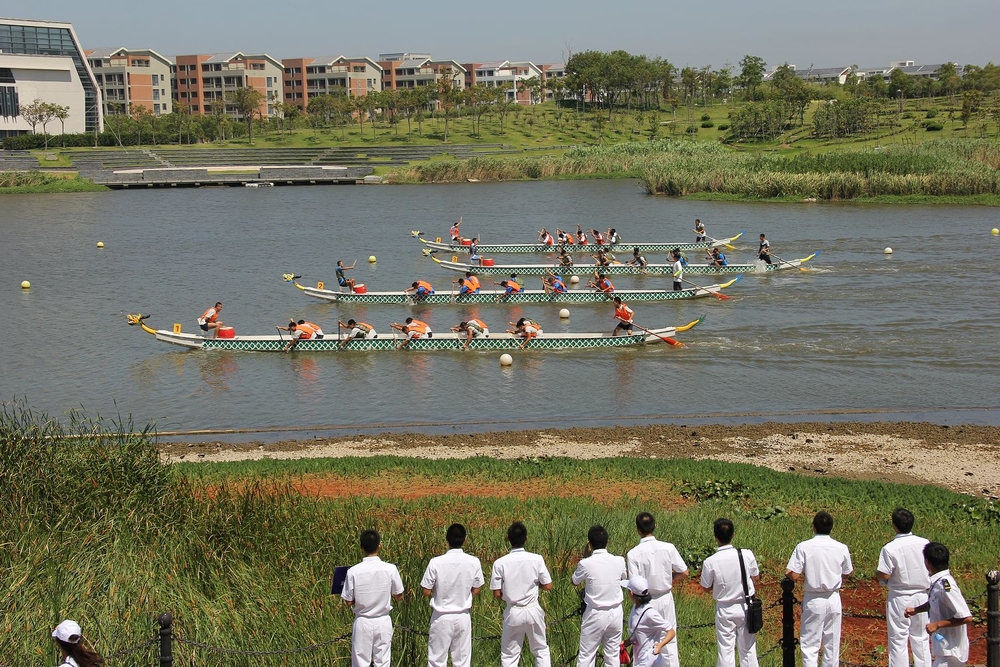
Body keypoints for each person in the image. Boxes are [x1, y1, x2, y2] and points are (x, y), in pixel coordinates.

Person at [785, 511, 854, 667]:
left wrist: (789, 574)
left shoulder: (804, 547)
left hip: (813, 598)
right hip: (834, 597)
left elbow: (794, 575)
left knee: (810, 644)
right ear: (831, 527)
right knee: (832, 644)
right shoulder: (841, 547)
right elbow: (848, 572)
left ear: (813, 527)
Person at [627, 512, 689, 667]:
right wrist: (670, 578)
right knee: (670, 638)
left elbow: (634, 582)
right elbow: (685, 572)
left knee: (645, 642)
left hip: (645, 601)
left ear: (637, 530)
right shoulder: (668, 548)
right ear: (655, 526)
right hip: (665, 597)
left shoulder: (633, 554)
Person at [491, 521, 554, 667]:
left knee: (509, 655)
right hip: (533, 608)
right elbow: (548, 585)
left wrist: (507, 595)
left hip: (513, 610)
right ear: (526, 538)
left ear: (508, 538)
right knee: (541, 650)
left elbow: (496, 593)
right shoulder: (536, 559)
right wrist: (536, 585)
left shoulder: (500, 563)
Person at [421, 523, 485, 667]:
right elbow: (477, 589)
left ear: (447, 539)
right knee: (462, 661)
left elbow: (425, 591)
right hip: (463, 615)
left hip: (441, 616)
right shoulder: (474, 562)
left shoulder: (435, 562)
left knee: (436, 660)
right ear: (465, 540)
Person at [700, 517, 760, 667]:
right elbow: (756, 576)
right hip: (746, 605)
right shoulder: (746, 554)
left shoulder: (710, 561)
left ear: (715, 536)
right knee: (748, 649)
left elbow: (706, 587)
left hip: (725, 608)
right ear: (733, 534)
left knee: (726, 650)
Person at [342, 529, 405, 667]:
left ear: (361, 547)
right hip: (383, 620)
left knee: (360, 662)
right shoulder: (390, 569)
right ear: (379, 545)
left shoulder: (353, 571)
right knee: (383, 662)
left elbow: (348, 600)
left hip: (363, 621)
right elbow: (399, 595)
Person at [877, 508, 931, 667]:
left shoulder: (890, 548)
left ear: (894, 525)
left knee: (898, 640)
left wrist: (879, 577)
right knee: (921, 638)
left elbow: (884, 575)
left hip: (900, 597)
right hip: (922, 595)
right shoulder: (925, 543)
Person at [905, 543, 973, 667]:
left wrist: (937, 624)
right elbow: (935, 602)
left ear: (927, 562)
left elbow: (966, 617)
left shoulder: (946, 586)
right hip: (944, 649)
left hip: (952, 651)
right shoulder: (938, 582)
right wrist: (916, 610)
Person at [572, 525, 628, 667]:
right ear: (607, 542)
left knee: (586, 656)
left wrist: (584, 557)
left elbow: (574, 581)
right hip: (615, 612)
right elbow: (624, 578)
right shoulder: (619, 561)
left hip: (594, 613)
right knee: (612, 656)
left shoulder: (585, 563)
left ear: (589, 544)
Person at [623, 575, 677, 667]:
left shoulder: (650, 613)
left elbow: (671, 631)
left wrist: (660, 645)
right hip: (640, 657)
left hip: (649, 659)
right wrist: (626, 642)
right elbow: (639, 632)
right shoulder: (635, 608)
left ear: (631, 593)